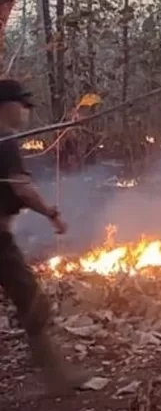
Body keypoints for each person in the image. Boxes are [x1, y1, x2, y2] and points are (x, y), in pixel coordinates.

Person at [0, 79, 89, 393]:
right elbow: (21, 188)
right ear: (7, 105)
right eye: (22, 105)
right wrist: (52, 214)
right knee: (34, 303)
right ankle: (55, 376)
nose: (26, 112)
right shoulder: (5, 139)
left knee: (29, 301)